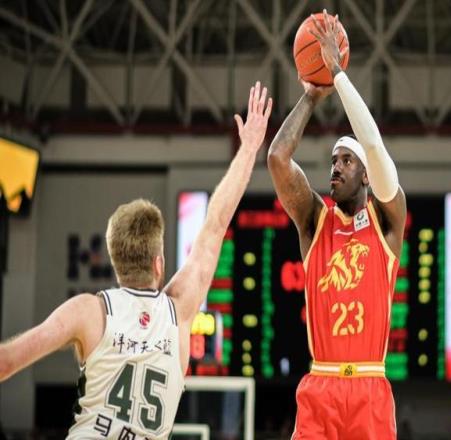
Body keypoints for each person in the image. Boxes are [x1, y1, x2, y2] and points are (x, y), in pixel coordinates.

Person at [0, 81, 272, 439]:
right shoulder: (179, 312)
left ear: (115, 261)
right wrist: (249, 148)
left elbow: (7, 361)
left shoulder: (90, 311)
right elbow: (216, 224)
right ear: (159, 263)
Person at [267, 10, 406, 440]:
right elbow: (277, 159)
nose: (336, 168)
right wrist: (311, 96)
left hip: (370, 386)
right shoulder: (315, 221)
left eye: (346, 161)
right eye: (333, 161)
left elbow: (374, 146)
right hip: (321, 385)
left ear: (366, 176)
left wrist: (339, 76)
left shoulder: (387, 221)